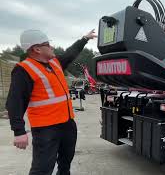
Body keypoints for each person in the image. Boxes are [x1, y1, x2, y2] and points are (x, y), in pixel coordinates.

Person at [6, 29, 97, 175]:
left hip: (67, 123)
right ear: (37, 49)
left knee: (65, 163)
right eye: (48, 44)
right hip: (45, 129)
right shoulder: (23, 70)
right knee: (42, 169)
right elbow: (15, 102)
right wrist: (19, 132)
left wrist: (84, 39)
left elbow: (70, 53)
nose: (52, 47)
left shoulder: (55, 63)